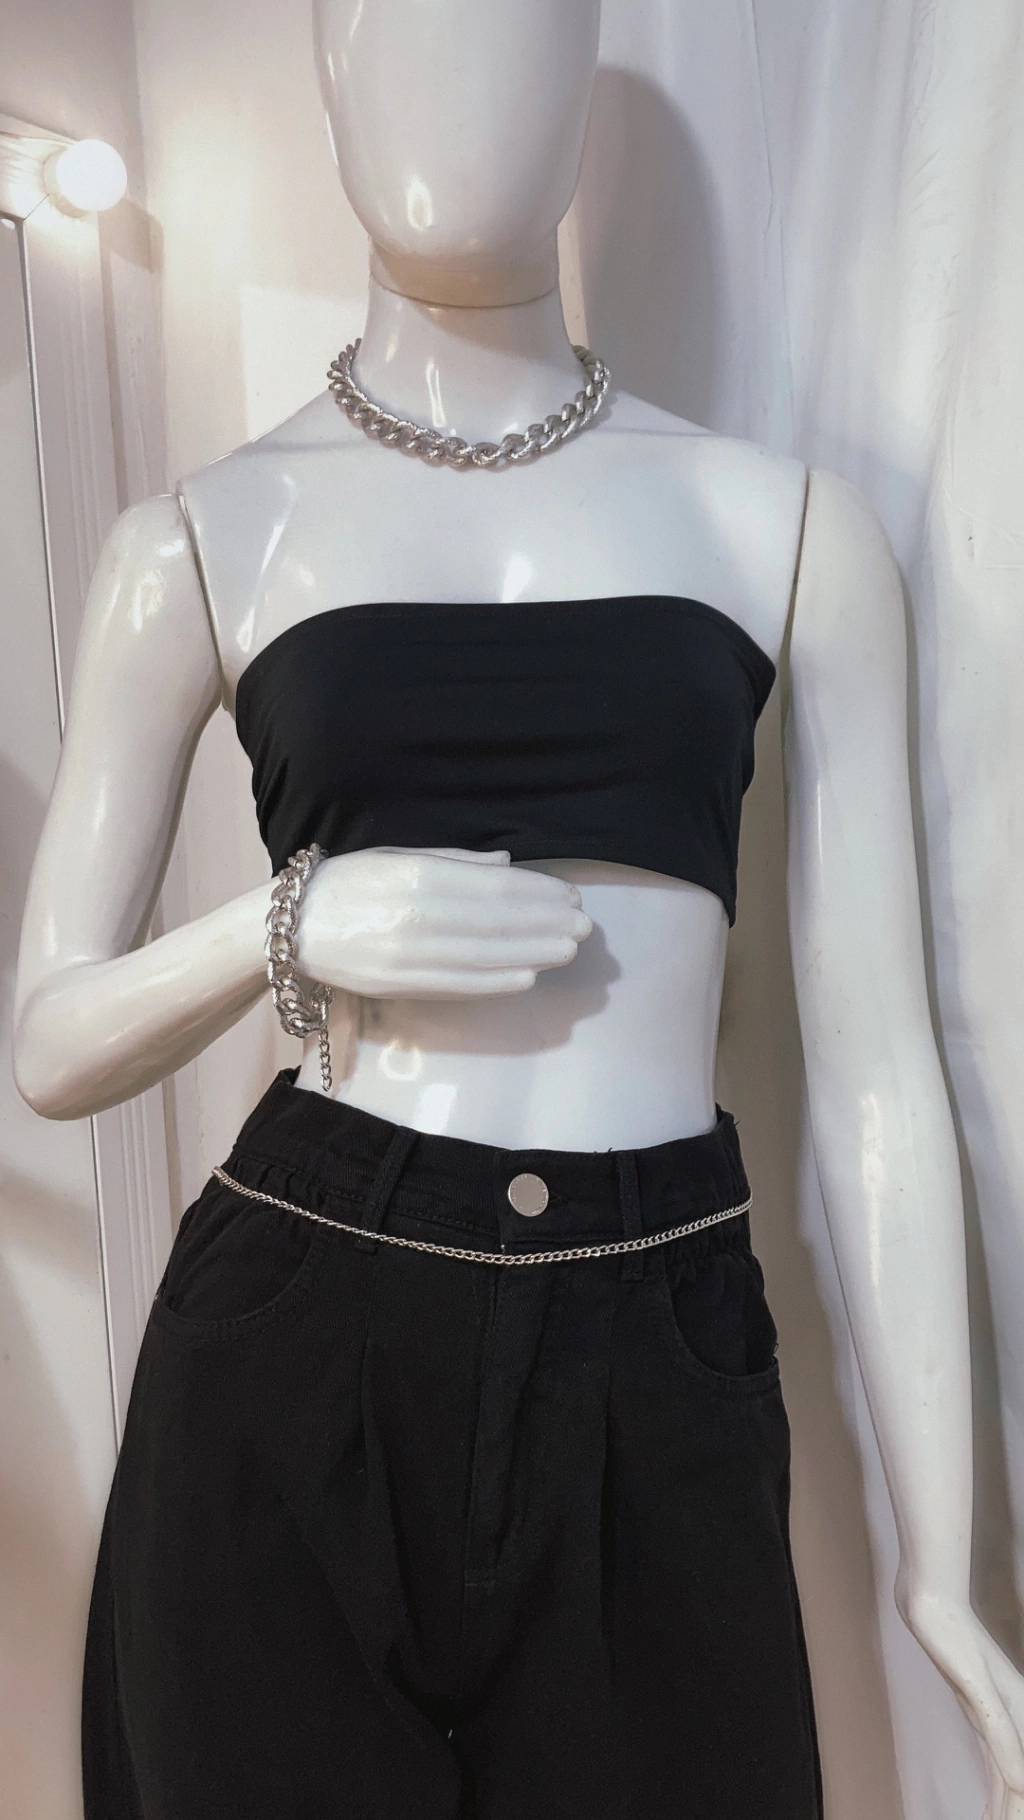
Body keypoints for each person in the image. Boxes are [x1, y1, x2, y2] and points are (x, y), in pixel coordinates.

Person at [14, 0, 1024, 1814]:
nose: (457, 94)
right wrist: (288, 926)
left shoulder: (785, 525)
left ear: (583, 89)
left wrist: (944, 1562)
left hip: (655, 1329)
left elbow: (882, 1067)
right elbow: (47, 1044)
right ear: (326, 82)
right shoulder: (198, 538)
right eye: (397, 38)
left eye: (516, 37)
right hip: (301, 1329)